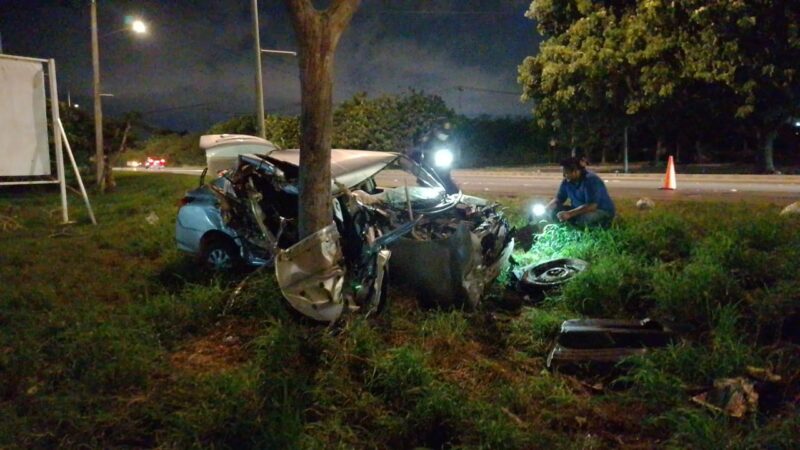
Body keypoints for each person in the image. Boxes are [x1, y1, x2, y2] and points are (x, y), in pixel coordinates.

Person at [545, 156, 615, 228]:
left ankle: (605, 224)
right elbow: (559, 198)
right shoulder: (567, 181)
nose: (564, 176)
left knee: (583, 219)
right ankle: (571, 225)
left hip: (600, 210)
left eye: (566, 173)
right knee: (555, 212)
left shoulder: (591, 180)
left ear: (575, 171)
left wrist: (570, 214)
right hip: (579, 210)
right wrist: (547, 208)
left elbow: (592, 206)